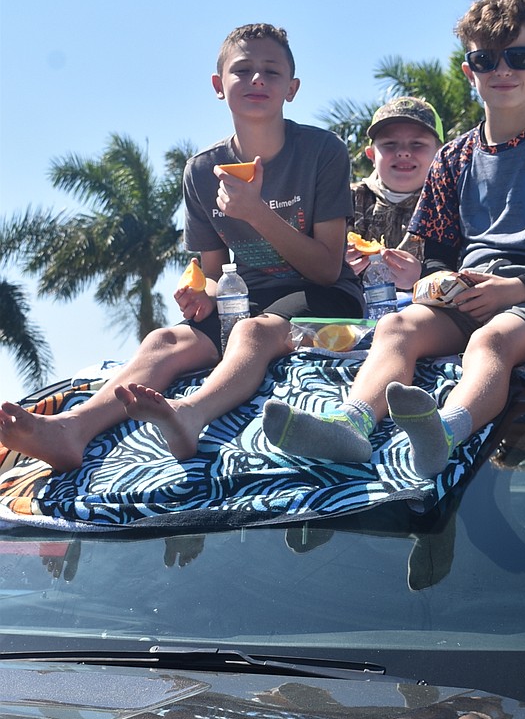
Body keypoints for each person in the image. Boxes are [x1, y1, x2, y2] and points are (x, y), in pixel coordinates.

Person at [262, 0, 525, 478]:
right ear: (469, 72)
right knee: (396, 327)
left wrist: (514, 289)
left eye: (520, 58)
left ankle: (443, 431)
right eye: (486, 60)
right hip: (466, 298)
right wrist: (439, 280)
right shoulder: (452, 158)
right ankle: (350, 424)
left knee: (491, 344)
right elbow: (439, 254)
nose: (503, 71)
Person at [0, 23, 357, 469]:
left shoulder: (322, 151)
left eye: (271, 71)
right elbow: (216, 274)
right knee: (162, 339)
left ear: (292, 88)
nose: (257, 79)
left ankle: (190, 415)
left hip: (326, 298)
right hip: (251, 299)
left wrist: (256, 213)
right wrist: (202, 295)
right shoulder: (202, 170)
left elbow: (326, 268)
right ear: (218, 86)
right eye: (242, 70)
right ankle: (71, 429)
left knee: (252, 332)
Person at [347, 96, 444, 291]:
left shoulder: (452, 204)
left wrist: (424, 276)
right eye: (390, 143)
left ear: (441, 154)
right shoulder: (346, 200)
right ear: (371, 155)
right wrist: (336, 269)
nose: (403, 152)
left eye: (417, 143)